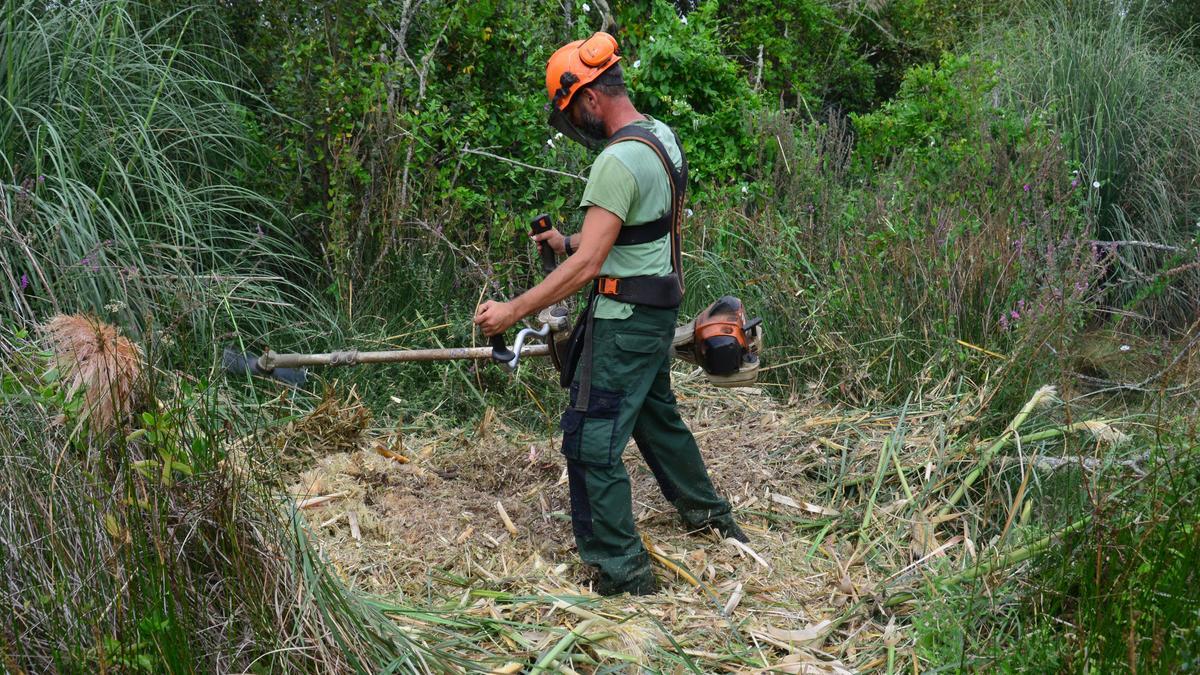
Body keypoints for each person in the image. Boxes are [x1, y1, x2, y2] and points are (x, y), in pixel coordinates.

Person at [474, 31, 746, 596]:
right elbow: (634, 235)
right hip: (654, 314)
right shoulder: (661, 140)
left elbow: (591, 265)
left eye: (573, 111)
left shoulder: (616, 161)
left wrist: (511, 310)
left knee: (590, 444)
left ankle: (622, 576)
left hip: (622, 324)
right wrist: (567, 241)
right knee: (657, 423)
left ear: (591, 97)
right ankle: (714, 521)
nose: (577, 124)